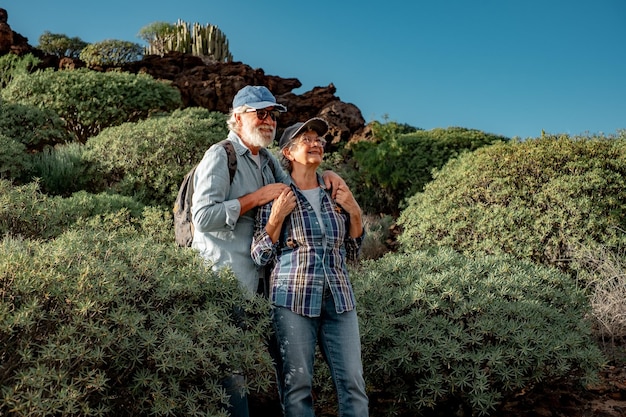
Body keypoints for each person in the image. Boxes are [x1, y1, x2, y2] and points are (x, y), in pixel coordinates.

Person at [191, 86, 347, 417]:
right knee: (232, 375)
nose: (268, 121)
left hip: (267, 284)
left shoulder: (268, 161)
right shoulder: (220, 155)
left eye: (272, 115)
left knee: (288, 366)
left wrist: (326, 175)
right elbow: (202, 217)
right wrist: (257, 198)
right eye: (259, 113)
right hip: (226, 284)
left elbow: (298, 191)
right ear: (237, 118)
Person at [251, 117, 369, 417]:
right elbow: (260, 255)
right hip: (293, 300)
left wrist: (354, 211)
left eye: (319, 139)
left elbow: (353, 250)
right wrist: (276, 218)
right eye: (307, 139)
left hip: (340, 300)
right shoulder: (277, 195)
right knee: (298, 385)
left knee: (353, 384)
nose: (316, 143)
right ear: (288, 153)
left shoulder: (336, 191)